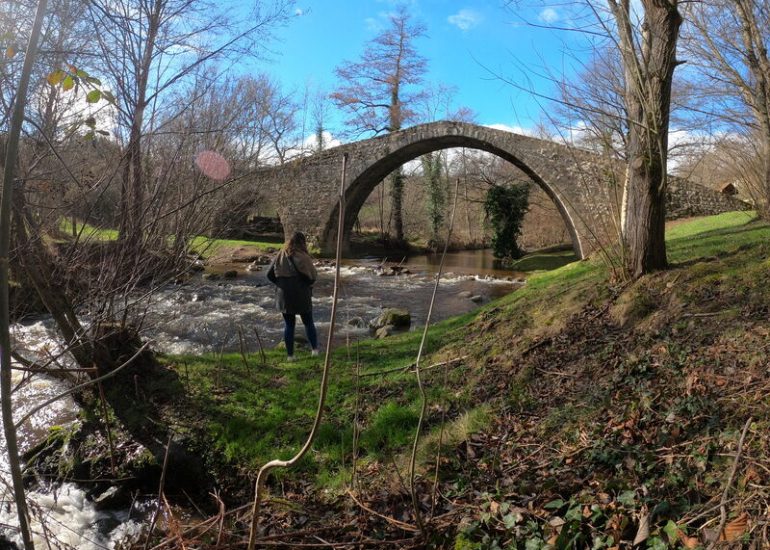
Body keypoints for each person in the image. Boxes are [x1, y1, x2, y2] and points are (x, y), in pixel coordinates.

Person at [266, 231, 319, 361]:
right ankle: (315, 351)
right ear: (302, 243)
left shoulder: (280, 255)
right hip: (301, 293)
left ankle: (290, 356)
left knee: (289, 325)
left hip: (283, 294)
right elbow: (313, 276)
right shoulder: (304, 257)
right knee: (308, 322)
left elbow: (269, 274)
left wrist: (280, 284)